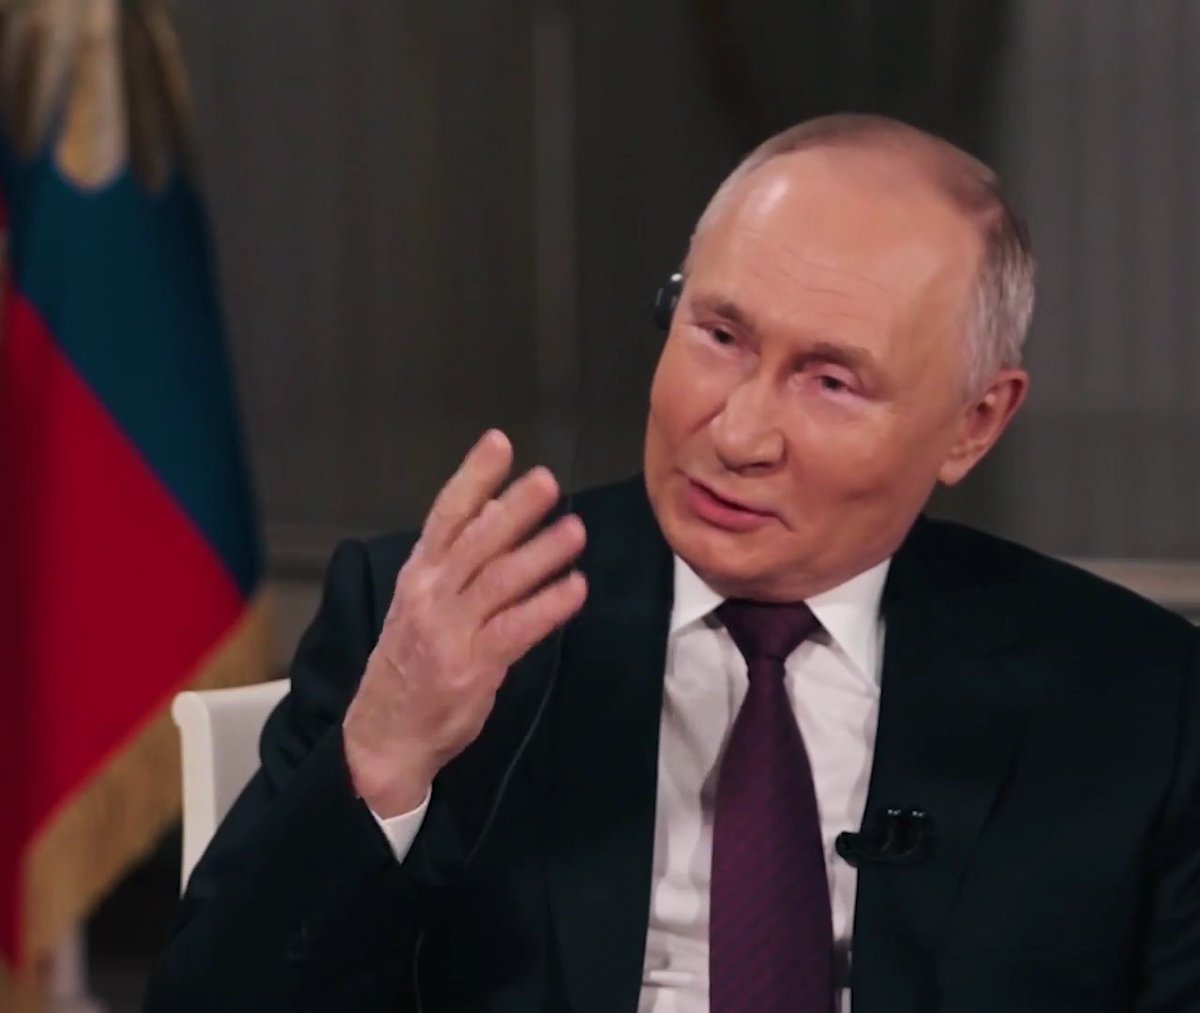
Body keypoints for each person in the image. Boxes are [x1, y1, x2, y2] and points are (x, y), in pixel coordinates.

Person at [144, 114, 1200, 1013]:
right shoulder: (437, 622)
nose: (737, 433)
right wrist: (382, 755)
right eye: (719, 335)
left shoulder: (1140, 708)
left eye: (831, 381)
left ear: (974, 423)